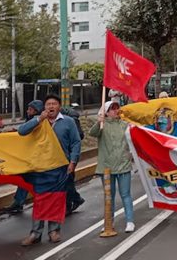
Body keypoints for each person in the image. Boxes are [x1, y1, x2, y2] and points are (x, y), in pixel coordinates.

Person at [19, 94, 81, 246]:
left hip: (61, 167)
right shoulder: (38, 121)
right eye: (48, 104)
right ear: (44, 107)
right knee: (39, 200)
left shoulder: (68, 122)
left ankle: (54, 230)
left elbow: (75, 142)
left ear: (59, 106)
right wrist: (39, 119)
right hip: (40, 168)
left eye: (54, 104)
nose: (51, 107)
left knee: (56, 199)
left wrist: (73, 162)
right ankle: (35, 232)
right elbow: (22, 131)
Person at [89, 101, 135, 233]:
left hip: (123, 166)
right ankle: (109, 222)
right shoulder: (102, 125)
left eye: (117, 108)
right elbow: (92, 133)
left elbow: (135, 135)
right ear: (106, 112)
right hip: (106, 168)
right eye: (112, 109)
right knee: (109, 197)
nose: (116, 111)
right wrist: (99, 121)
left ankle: (130, 221)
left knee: (126, 194)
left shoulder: (125, 125)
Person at [6, 100, 44, 214]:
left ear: (36, 111)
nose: (28, 111)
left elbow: (27, 132)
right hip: (30, 156)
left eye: (30, 109)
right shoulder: (32, 120)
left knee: (29, 180)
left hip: (36, 157)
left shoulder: (38, 121)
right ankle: (18, 202)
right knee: (26, 180)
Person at [60, 101, 86, 215]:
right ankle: (75, 199)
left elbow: (78, 138)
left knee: (67, 181)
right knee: (66, 181)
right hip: (59, 156)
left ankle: (68, 205)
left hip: (69, 155)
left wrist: (72, 157)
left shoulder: (69, 121)